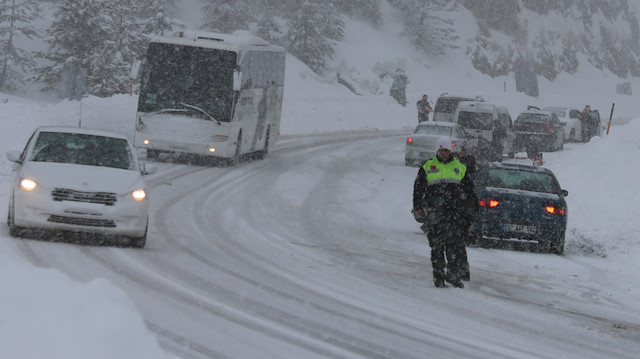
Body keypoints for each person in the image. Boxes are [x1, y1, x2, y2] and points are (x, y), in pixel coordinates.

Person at [413, 137, 478, 288]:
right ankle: (439, 276)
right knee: (436, 247)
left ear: (451, 151)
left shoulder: (460, 167)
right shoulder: (427, 166)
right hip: (435, 214)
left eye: (446, 150)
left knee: (454, 246)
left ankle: (453, 275)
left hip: (455, 214)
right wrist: (418, 206)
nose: (444, 152)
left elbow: (469, 190)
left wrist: (473, 207)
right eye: (441, 150)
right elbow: (418, 189)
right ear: (437, 150)